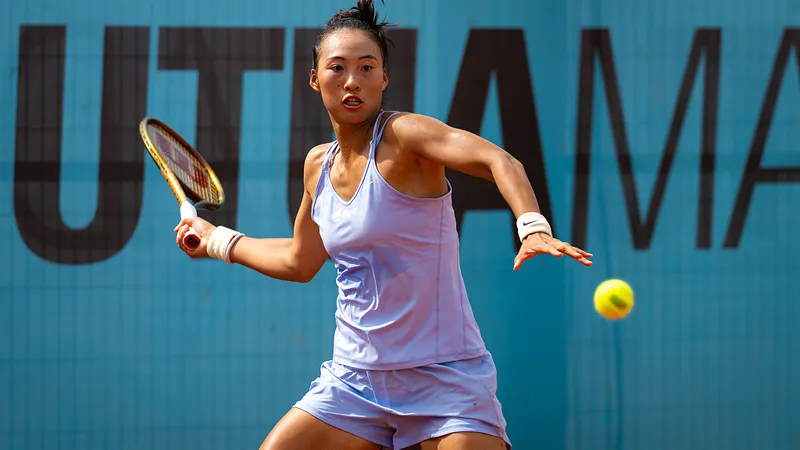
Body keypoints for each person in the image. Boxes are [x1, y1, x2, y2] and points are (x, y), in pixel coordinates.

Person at [173, 1, 593, 448]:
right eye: (337, 68)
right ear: (315, 79)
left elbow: (497, 159)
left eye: (367, 67)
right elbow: (299, 260)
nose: (353, 81)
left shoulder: (406, 136)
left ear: (384, 78)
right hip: (353, 383)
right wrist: (218, 240)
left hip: (444, 379)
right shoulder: (318, 165)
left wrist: (532, 227)